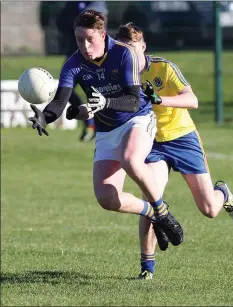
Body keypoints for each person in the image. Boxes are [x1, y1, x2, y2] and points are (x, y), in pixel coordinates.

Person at [28, 10, 184, 252]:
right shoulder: (73, 65)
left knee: (131, 160)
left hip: (137, 119)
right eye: (79, 40)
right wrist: (45, 117)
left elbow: (133, 100)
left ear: (102, 34)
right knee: (107, 199)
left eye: (90, 39)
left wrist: (105, 103)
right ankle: (151, 211)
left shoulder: (124, 53)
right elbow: (60, 102)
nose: (85, 46)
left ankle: (163, 213)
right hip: (106, 130)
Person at [115, 23, 233, 279]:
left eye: (133, 49)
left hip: (183, 138)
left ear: (143, 47)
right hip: (150, 141)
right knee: (152, 199)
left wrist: (159, 100)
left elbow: (192, 100)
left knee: (209, 210)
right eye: (124, 50)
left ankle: (222, 192)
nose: (130, 55)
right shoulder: (118, 72)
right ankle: (147, 268)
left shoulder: (164, 67)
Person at [56, 2, 108, 142]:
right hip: (73, 55)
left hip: (93, 57)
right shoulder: (72, 4)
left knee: (95, 92)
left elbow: (89, 20)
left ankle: (98, 127)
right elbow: (60, 22)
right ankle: (90, 124)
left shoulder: (97, 3)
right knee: (65, 90)